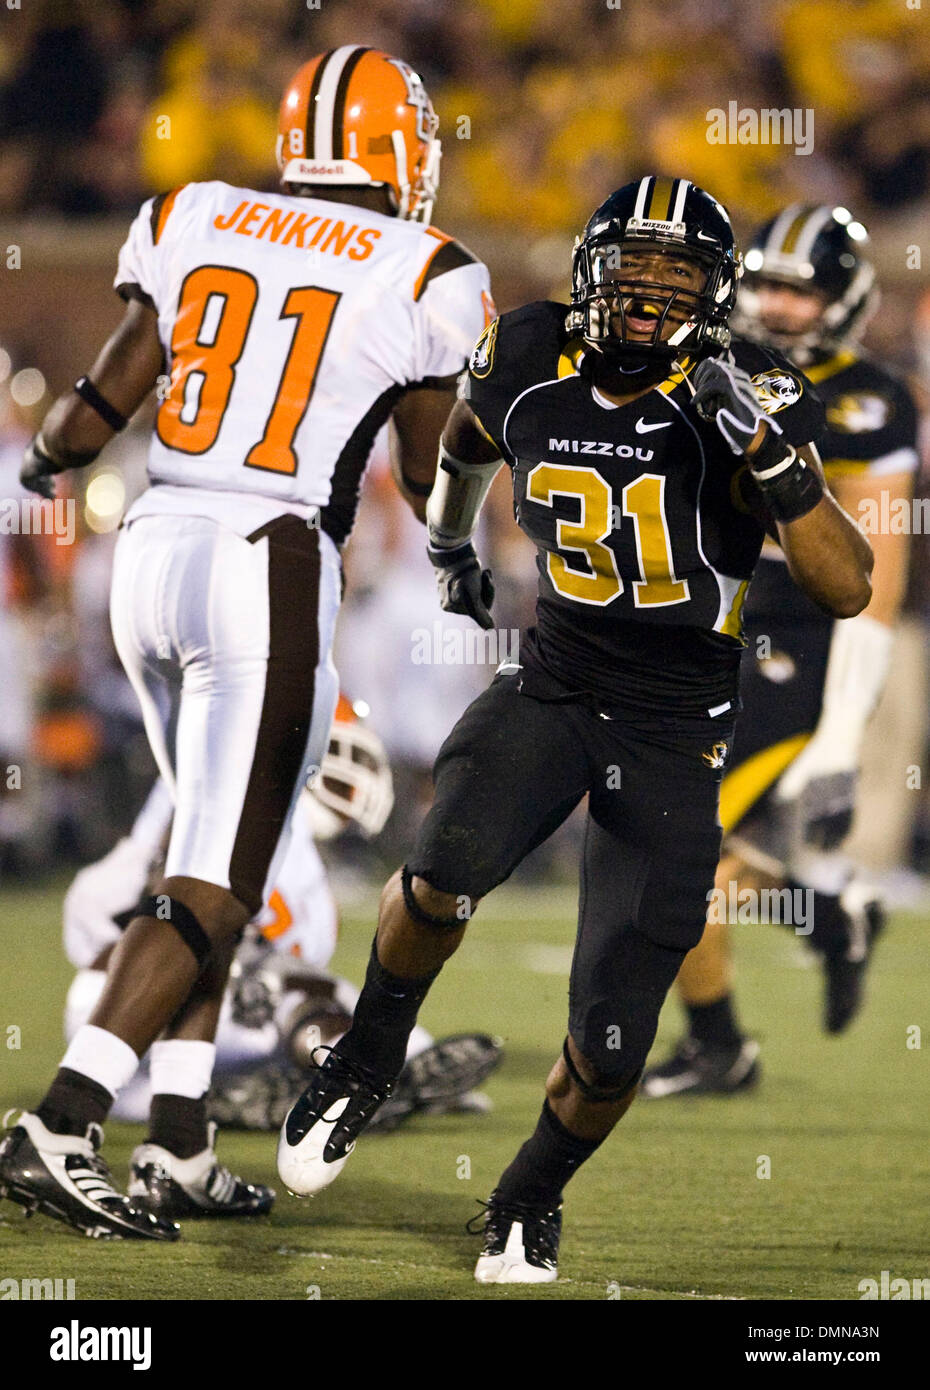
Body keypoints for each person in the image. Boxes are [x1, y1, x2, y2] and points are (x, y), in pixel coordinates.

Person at [274, 177, 874, 1283]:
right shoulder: (525, 351)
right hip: (554, 675)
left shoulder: (753, 390)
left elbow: (848, 582)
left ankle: (525, 1195)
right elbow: (461, 440)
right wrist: (452, 547)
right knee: (442, 863)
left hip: (678, 720)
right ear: (590, 268)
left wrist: (775, 462)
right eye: (632, 275)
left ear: (715, 294)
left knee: (610, 1044)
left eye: (675, 281)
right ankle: (364, 1056)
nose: (647, 304)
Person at [0, 45, 493, 1241]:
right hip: (264, 563)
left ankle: (176, 1138)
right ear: (396, 151)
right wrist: (461, 553)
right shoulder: (428, 267)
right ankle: (62, 1118)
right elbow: (430, 472)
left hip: (153, 549)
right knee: (220, 881)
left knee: (220, 855)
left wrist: (48, 457)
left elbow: (103, 395)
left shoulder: (194, 213)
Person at [641, 205, 918, 1098]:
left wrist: (839, 740)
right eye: (764, 283)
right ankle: (828, 921)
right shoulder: (698, 362)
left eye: (801, 289)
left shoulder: (865, 399)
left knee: (675, 845)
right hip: (690, 617)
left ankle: (720, 1043)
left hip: (789, 638)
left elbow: (875, 581)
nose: (778, 305)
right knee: (662, 836)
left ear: (844, 299)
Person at [62, 704, 501, 1157]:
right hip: (153, 1001)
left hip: (124, 1031)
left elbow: (90, 911)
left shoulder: (202, 793)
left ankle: (260, 1095)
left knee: (331, 995)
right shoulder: (265, 821)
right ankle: (357, 1076)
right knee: (295, 982)